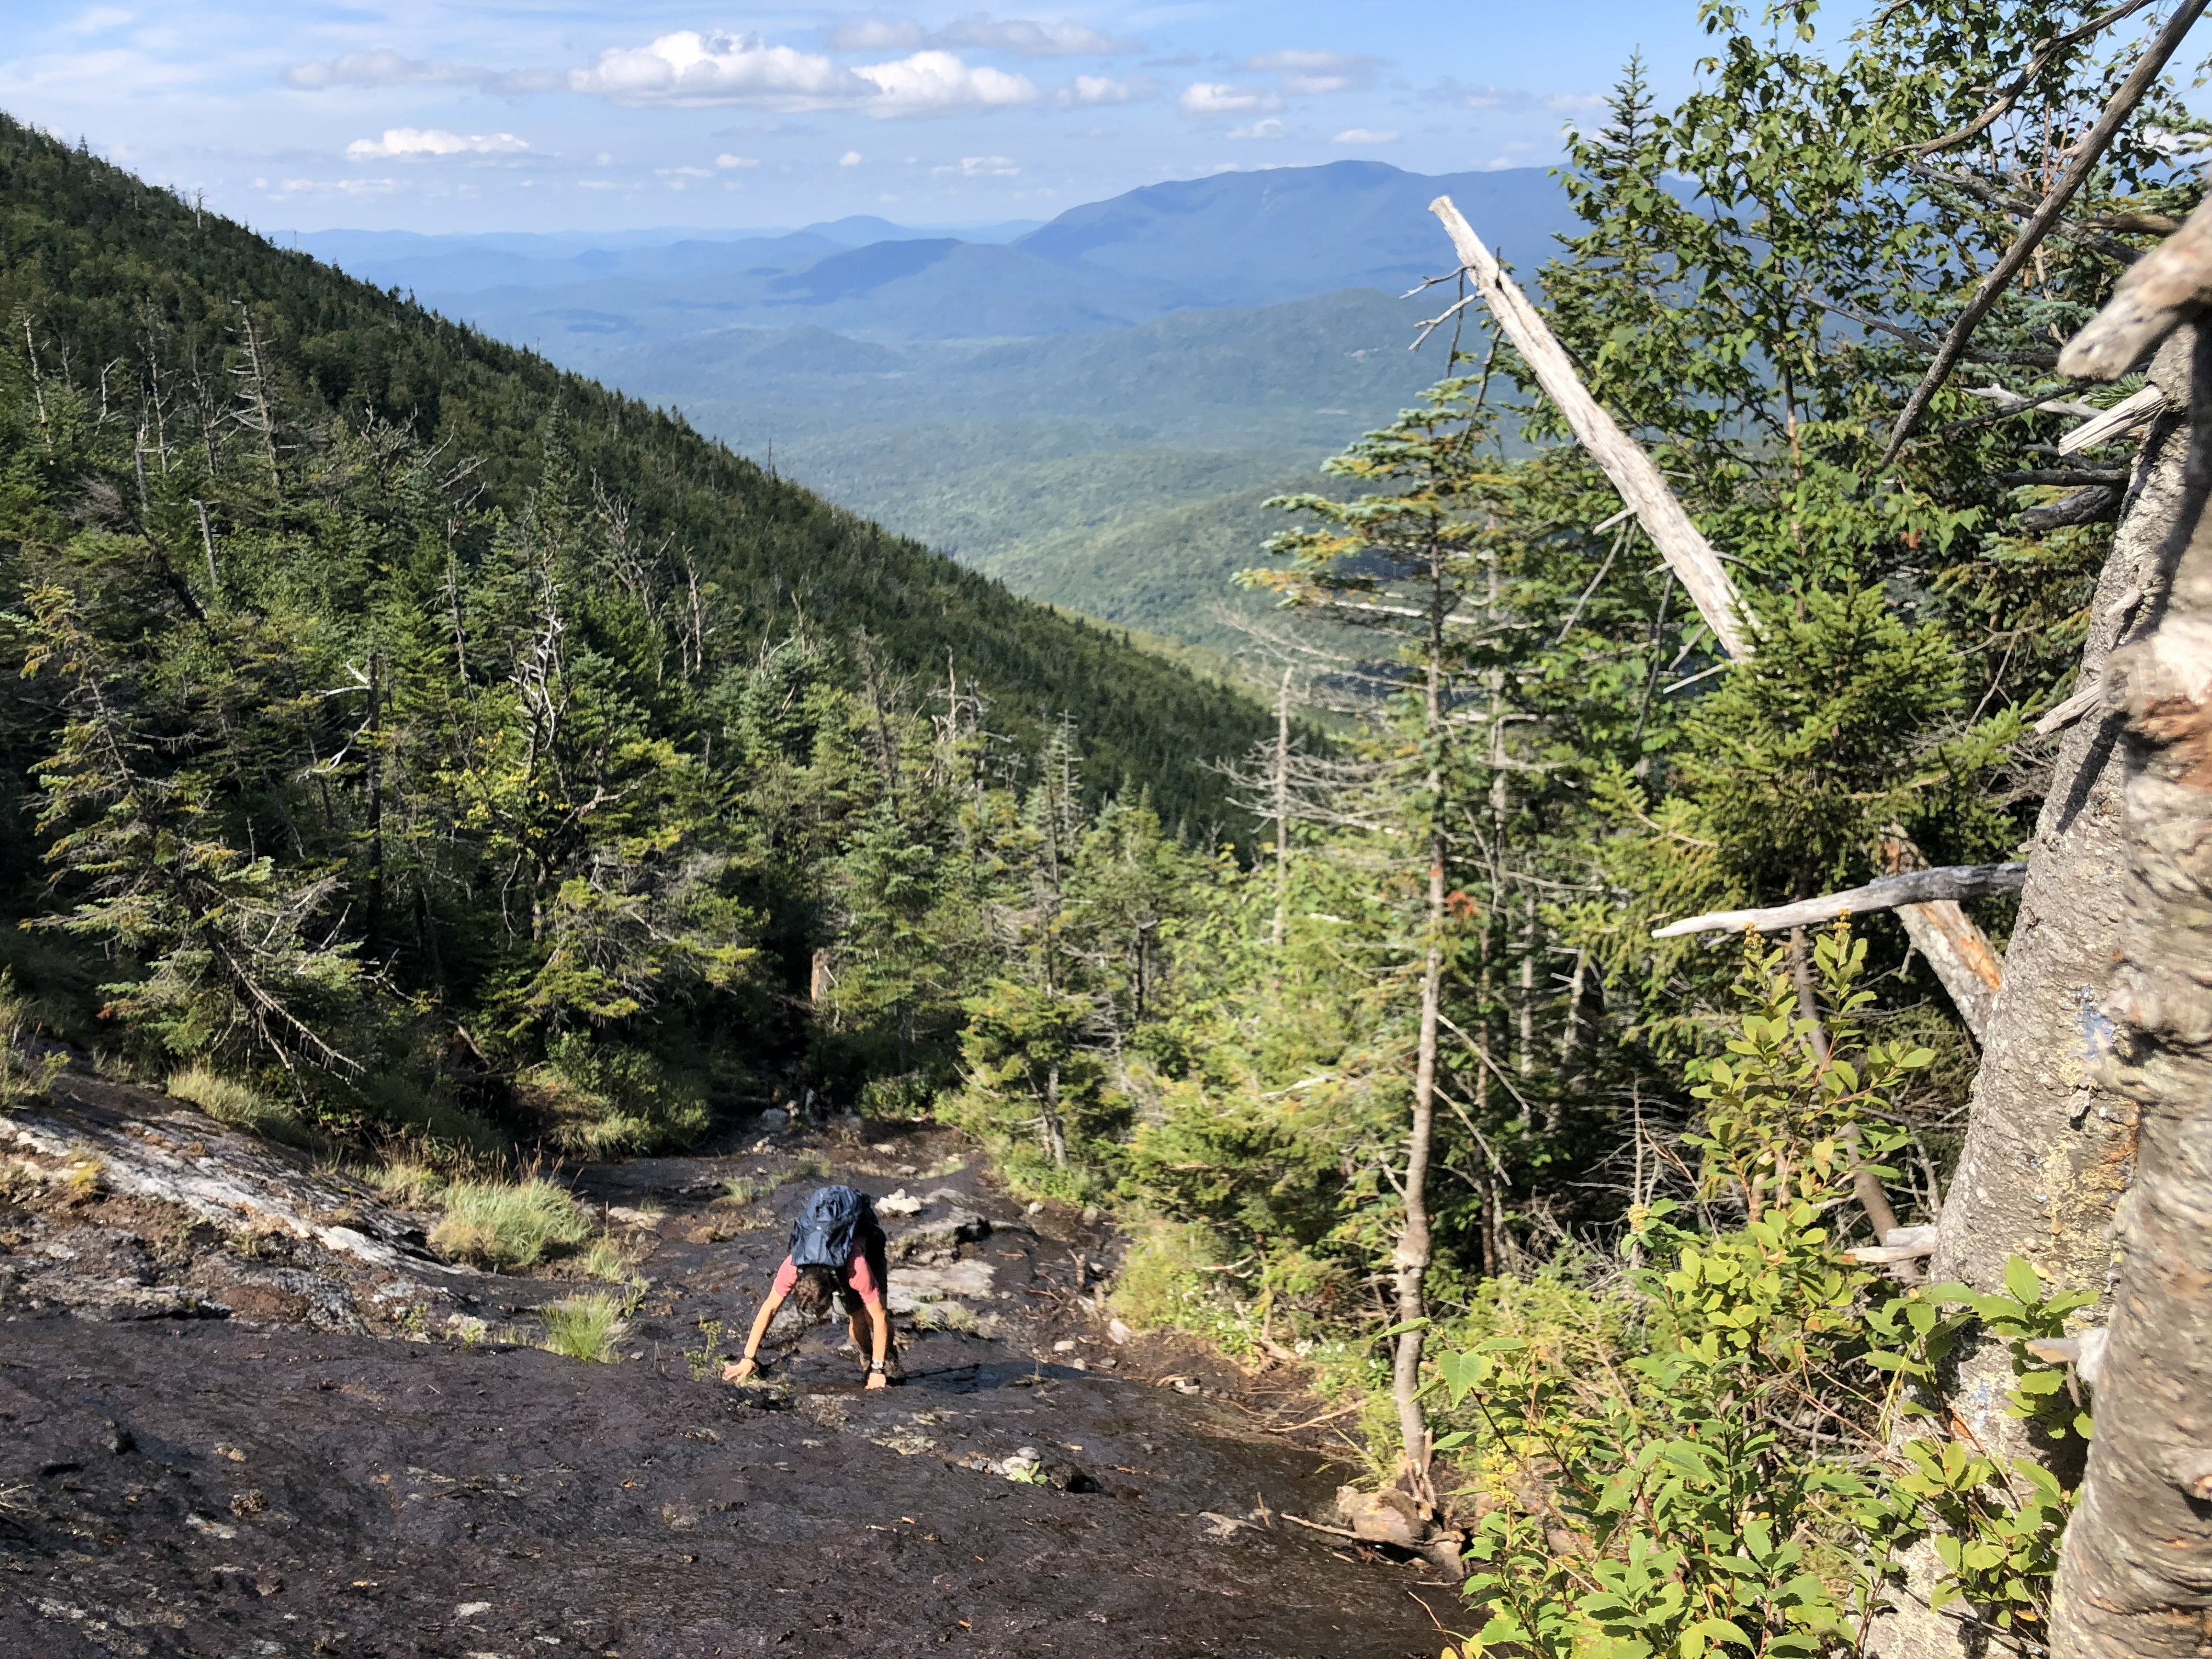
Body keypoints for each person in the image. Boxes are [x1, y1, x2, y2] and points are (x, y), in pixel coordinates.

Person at [724, 1184, 896, 1389]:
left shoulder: (856, 1270)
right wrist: (748, 1358)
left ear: (829, 1298)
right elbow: (769, 1308)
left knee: (875, 1314)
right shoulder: (792, 1267)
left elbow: (878, 1318)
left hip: (869, 1244)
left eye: (819, 1312)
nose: (819, 1318)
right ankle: (867, 1358)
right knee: (856, 1317)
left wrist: (878, 1370)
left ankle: (887, 1356)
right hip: (838, 1265)